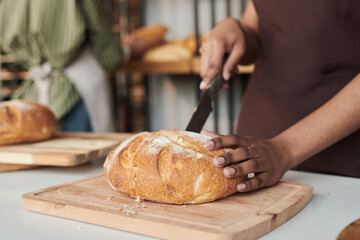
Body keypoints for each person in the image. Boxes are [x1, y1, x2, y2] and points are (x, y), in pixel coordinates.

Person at [199, 0, 360, 192]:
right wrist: (236, 30)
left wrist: (285, 149)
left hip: (344, 165)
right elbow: (259, 28)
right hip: (258, 153)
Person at [0, 0, 148, 132]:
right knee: (89, 161)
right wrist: (130, 49)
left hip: (34, 97)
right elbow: (109, 55)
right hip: (76, 95)